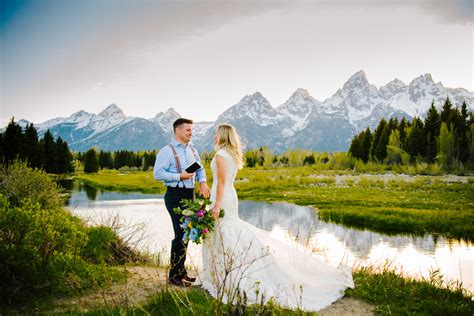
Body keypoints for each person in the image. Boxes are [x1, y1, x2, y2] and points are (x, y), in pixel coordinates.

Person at [200, 124, 354, 311]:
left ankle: (227, 276)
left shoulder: (220, 156)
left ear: (223, 136)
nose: (214, 136)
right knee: (227, 230)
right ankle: (224, 273)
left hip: (222, 197)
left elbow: (222, 181)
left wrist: (216, 204)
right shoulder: (231, 154)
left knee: (225, 231)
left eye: (216, 134)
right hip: (229, 196)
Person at [154, 117, 210, 287]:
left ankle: (182, 272)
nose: (191, 133)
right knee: (180, 233)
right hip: (174, 195)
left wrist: (202, 182)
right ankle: (174, 276)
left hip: (189, 195)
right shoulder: (167, 151)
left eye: (191, 130)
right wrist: (180, 176)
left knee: (187, 234)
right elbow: (158, 174)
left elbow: (199, 169)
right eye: (188, 130)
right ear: (178, 131)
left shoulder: (192, 150)